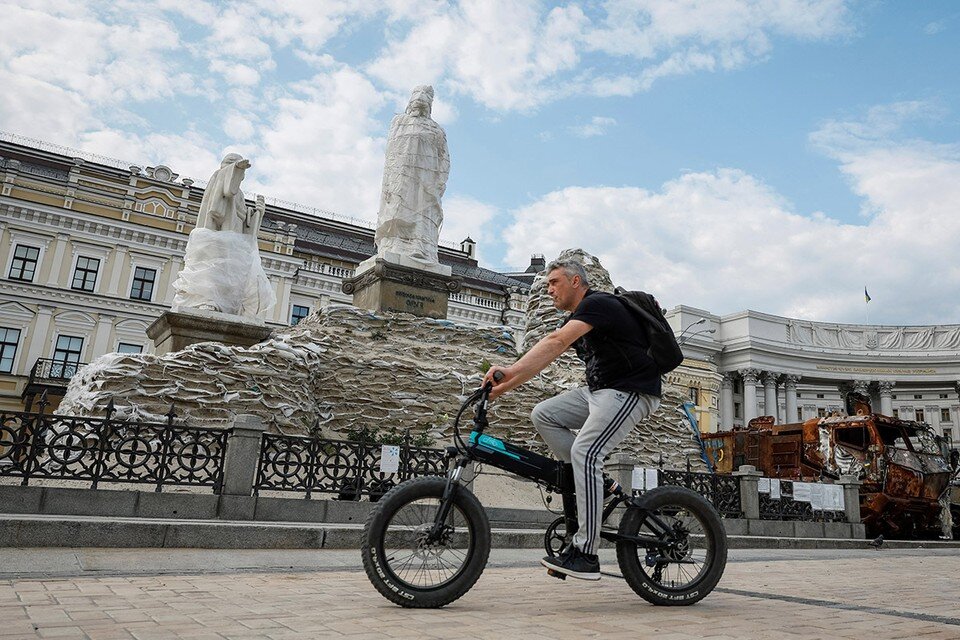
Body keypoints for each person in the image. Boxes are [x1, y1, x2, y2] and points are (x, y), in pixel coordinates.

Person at [483, 259, 661, 580]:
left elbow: (554, 343)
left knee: (586, 452)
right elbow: (545, 356)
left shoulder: (598, 303)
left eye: (554, 282)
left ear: (576, 281)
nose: (549, 289)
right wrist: (501, 388)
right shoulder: (580, 317)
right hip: (601, 391)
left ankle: (586, 553)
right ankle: (600, 484)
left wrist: (506, 372)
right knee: (545, 415)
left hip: (631, 390)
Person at [375, 85, 450, 266]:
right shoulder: (399, 122)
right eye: (416, 99)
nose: (419, 104)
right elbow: (391, 153)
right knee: (400, 210)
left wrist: (439, 181)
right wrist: (389, 183)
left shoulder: (437, 130)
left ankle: (420, 246)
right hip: (403, 176)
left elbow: (444, 158)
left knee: (422, 213)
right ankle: (395, 243)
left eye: (424, 101)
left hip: (426, 181)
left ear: (429, 105)